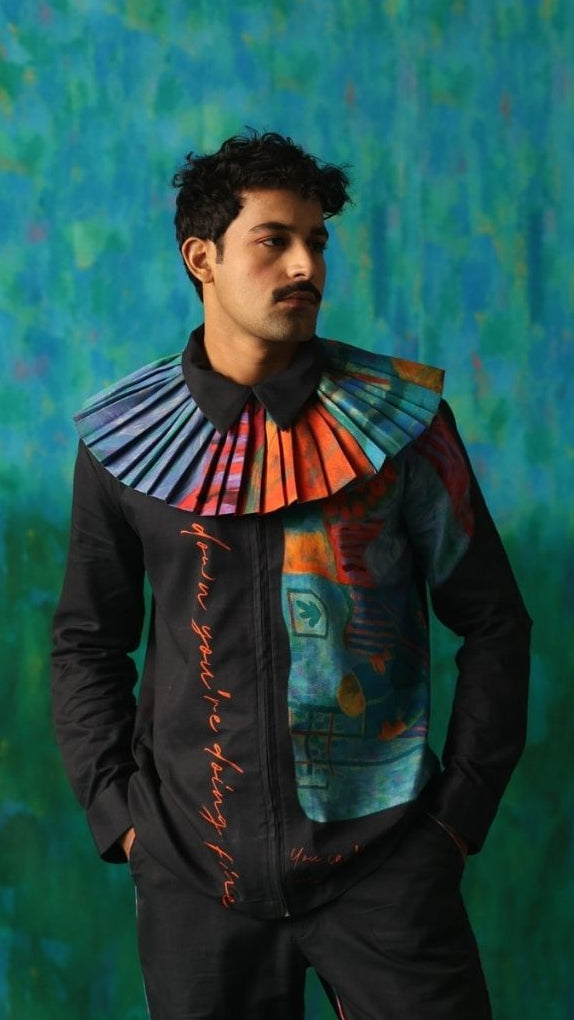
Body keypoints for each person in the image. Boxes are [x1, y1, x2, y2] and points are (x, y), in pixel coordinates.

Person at [52, 130, 531, 1020]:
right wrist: (123, 817)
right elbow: (87, 640)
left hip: (388, 868)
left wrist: (456, 820)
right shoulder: (123, 441)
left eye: (317, 241)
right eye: (274, 240)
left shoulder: (401, 425)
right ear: (202, 257)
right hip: (194, 874)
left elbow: (495, 621)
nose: (306, 264)